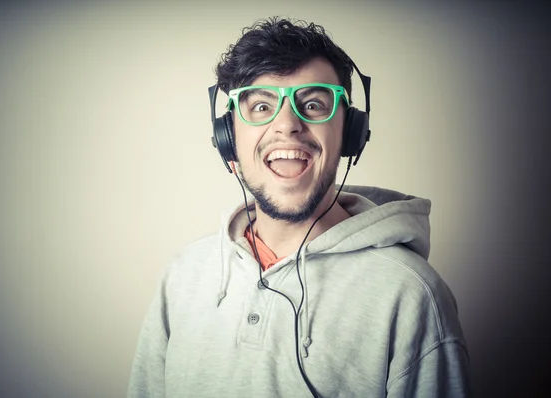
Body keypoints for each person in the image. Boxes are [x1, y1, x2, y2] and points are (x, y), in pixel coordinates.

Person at [127, 16, 470, 397]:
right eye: (260, 107)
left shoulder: (412, 294)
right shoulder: (184, 275)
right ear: (228, 140)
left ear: (350, 134)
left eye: (313, 103)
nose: (287, 124)